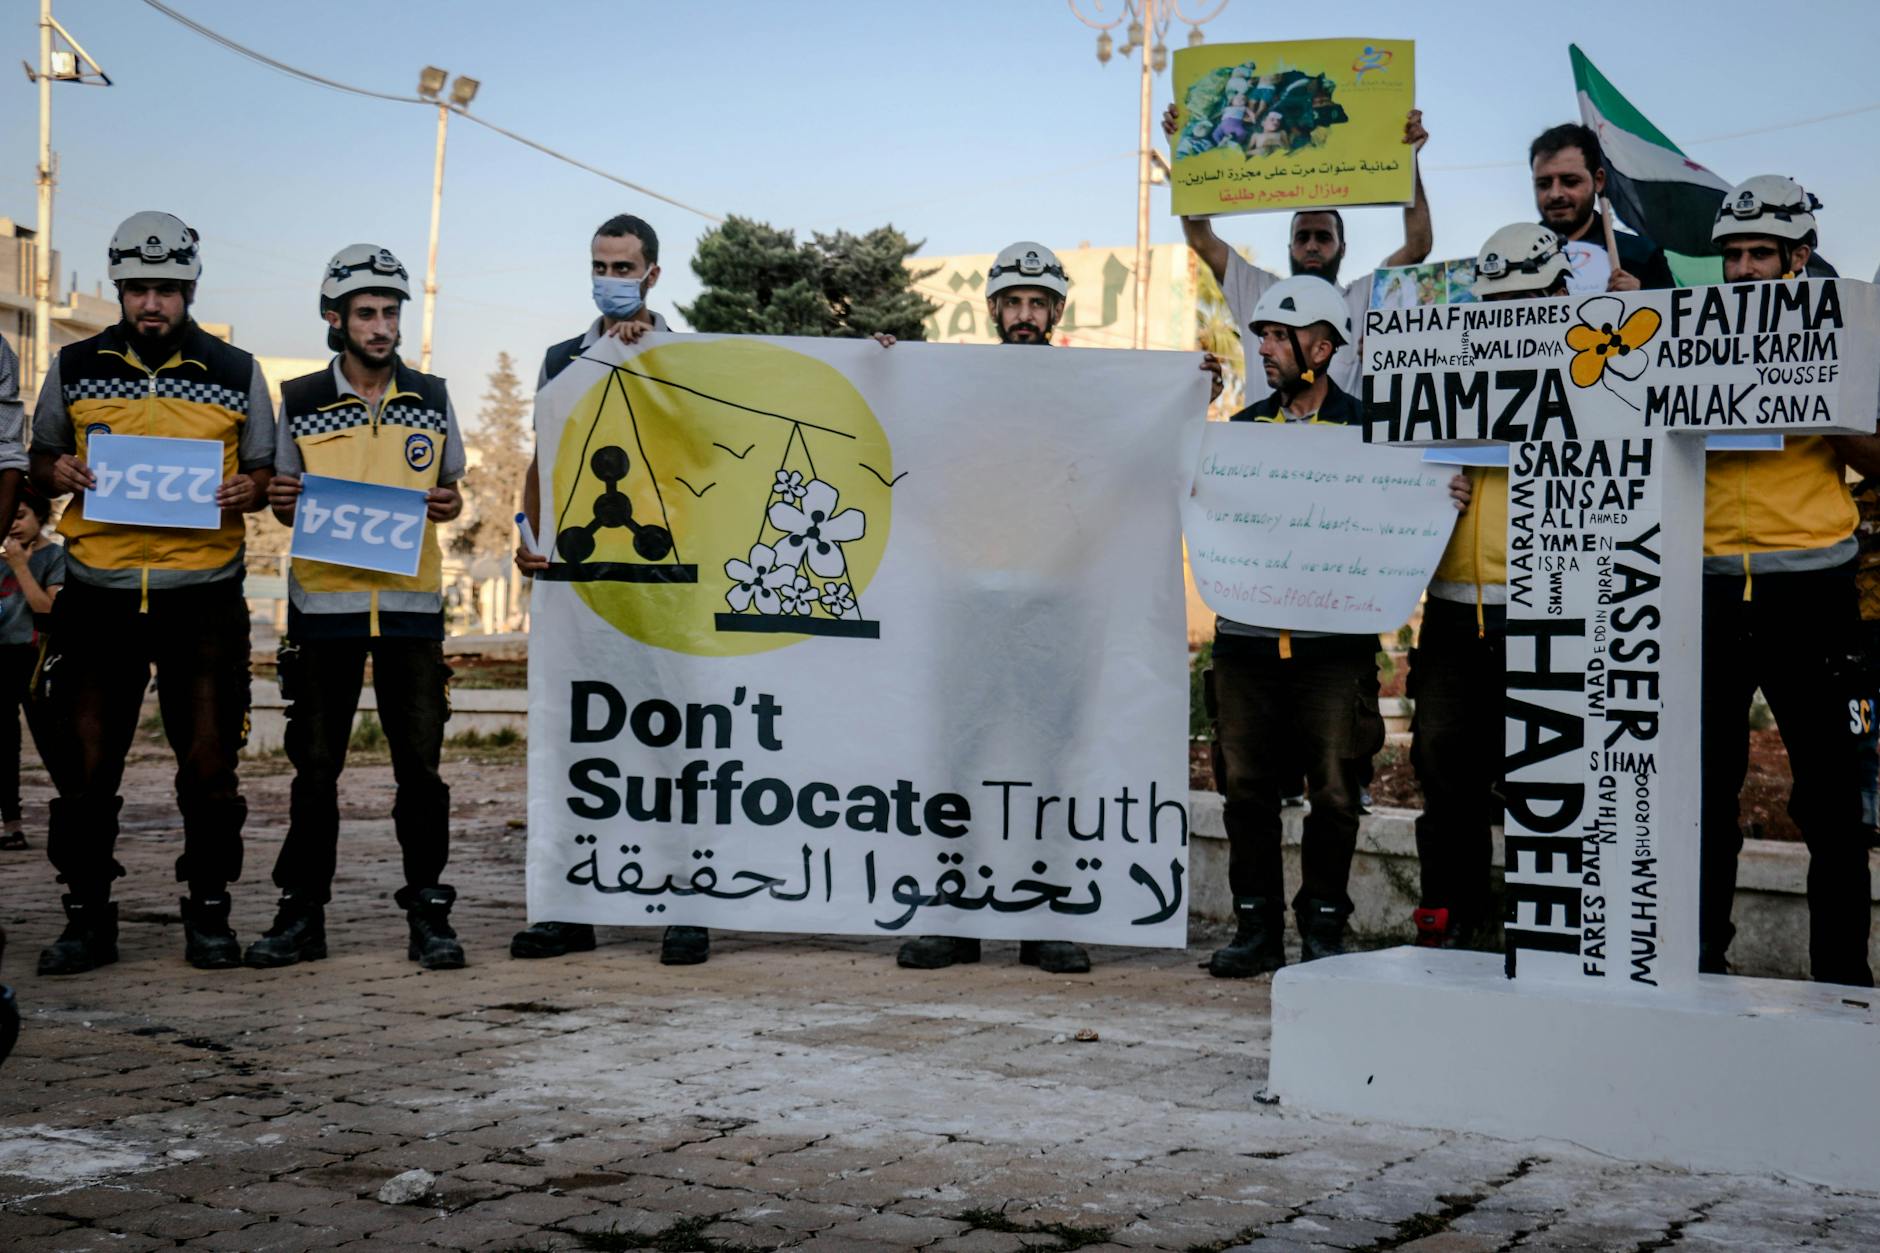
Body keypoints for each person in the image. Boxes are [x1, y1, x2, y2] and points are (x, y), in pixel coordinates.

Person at [881, 240, 1221, 974]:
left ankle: (1045, 918)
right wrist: (880, 367)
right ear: (993, 309)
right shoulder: (955, 387)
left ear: (1056, 312)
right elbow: (901, 434)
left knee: (1052, 763)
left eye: (1039, 303)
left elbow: (1140, 456)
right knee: (958, 760)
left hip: (1057, 604)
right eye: (1014, 303)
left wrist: (1191, 393)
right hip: (970, 600)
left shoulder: (1088, 393)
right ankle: (956, 920)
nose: (1026, 316)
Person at [30, 210, 272, 975]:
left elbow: (265, 472)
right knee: (84, 765)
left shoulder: (236, 370)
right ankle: (87, 915)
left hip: (203, 595)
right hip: (96, 593)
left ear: (190, 288)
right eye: (138, 288)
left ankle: (209, 909)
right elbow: (40, 456)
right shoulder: (74, 363)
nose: (152, 302)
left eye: (166, 288)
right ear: (120, 288)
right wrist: (57, 471)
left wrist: (249, 488)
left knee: (209, 763)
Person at [1203, 275, 1465, 976]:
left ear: (1321, 349)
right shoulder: (1238, 434)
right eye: (1261, 336)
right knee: (1246, 792)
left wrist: (1441, 492)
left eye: (1278, 337)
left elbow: (1409, 504)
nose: (1265, 348)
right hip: (1247, 646)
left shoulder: (1374, 434)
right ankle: (1255, 928)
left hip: (1334, 651)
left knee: (1337, 793)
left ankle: (1324, 925)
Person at [245, 244, 468, 971]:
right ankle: (301, 911)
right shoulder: (302, 398)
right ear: (334, 318)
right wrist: (282, 501)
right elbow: (283, 499)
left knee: (421, 771)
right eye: (367, 313)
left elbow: (452, 492)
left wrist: (450, 503)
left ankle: (429, 910)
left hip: (410, 611)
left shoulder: (431, 395)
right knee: (315, 771)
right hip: (324, 610)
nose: (381, 326)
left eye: (391, 312)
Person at [509, 213, 709, 966]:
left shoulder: (685, 356)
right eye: (601, 266)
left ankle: (687, 902)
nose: (611, 279)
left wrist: (648, 358)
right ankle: (572, 906)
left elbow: (705, 454)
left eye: (624, 268)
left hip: (663, 585)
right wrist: (529, 533)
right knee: (578, 743)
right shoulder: (561, 359)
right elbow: (544, 453)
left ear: (653, 275)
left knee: (670, 744)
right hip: (581, 588)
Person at [1700, 176, 1875, 987]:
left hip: (1814, 593)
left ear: (1799, 256)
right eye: (1732, 255)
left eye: (1759, 254)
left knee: (1832, 801)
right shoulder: (1685, 331)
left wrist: (1823, 404)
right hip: (1704, 591)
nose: (1742, 270)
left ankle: (1842, 982)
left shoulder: (1849, 334)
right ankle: (1699, 966)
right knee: (1704, 794)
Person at [1407, 224, 1570, 949]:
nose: (1510, 317)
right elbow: (1391, 460)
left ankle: (1541, 933)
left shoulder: (1599, 375)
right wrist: (1421, 488)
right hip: (1450, 611)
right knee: (1444, 773)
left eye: (1526, 301)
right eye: (1498, 303)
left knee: (1546, 777)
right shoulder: (1444, 371)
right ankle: (1451, 922)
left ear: (1559, 296)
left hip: (1545, 609)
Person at [1162, 103, 1431, 404]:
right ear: (1290, 248)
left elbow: (1417, 247)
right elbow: (1201, 239)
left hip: (1340, 435)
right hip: (1261, 434)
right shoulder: (1259, 292)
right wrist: (1184, 155)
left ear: (1342, 249)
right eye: (1302, 237)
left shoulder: (1361, 299)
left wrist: (1409, 160)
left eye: (1323, 237)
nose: (1312, 246)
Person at [1527, 123, 1674, 293]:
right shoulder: (1510, 257)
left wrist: (1643, 298)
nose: (1555, 194)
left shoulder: (1640, 255)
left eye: (1570, 182)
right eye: (1544, 184)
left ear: (1598, 180)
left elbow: (1675, 309)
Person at [0, 488, 65, 851]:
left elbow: (48, 610)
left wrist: (20, 567)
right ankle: (10, 823)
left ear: (39, 516)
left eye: (21, 515)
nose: (13, 524)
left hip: (38, 659)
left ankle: (79, 815)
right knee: (3, 745)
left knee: (52, 741)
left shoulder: (54, 557)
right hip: (2, 657)